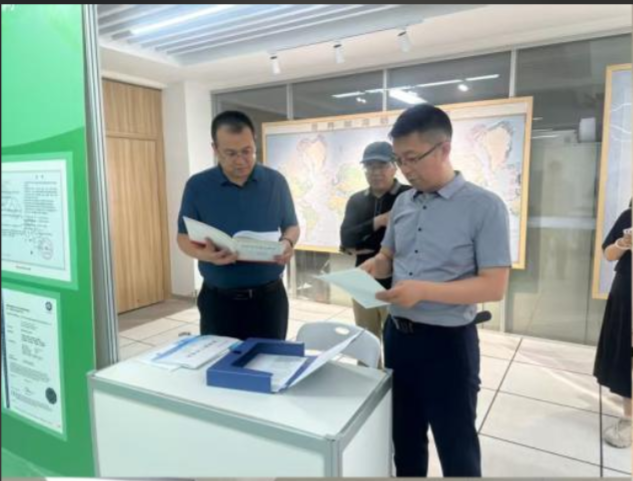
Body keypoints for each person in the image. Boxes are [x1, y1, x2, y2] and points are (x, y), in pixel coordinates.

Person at [361, 104, 511, 477]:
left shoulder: (484, 207)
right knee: (405, 439)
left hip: (448, 345)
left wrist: (424, 291)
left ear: (444, 149)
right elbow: (388, 256)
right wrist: (375, 266)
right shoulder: (403, 202)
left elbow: (494, 285)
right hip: (398, 337)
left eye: (412, 158)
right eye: (399, 160)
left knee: (456, 446)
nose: (405, 169)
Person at [177, 111, 299, 341]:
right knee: (222, 361)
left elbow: (292, 225)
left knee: (269, 360)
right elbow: (183, 238)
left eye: (247, 151)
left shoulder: (275, 182)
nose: (241, 161)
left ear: (254, 143)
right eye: (231, 153)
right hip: (218, 301)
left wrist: (287, 242)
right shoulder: (198, 186)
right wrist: (206, 255)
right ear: (215, 149)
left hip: (269, 300)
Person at [340, 141, 410, 364]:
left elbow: (410, 242)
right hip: (362, 281)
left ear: (395, 166)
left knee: (397, 342)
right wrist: (378, 221)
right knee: (365, 341)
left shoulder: (409, 197)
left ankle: (395, 382)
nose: (376, 172)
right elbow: (346, 239)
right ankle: (369, 381)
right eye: (370, 166)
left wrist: (362, 239)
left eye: (382, 165)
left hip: (397, 283)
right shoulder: (356, 200)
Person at [594, 204, 632, 448]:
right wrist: (623, 243)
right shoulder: (630, 215)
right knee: (628, 355)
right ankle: (629, 419)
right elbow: (608, 253)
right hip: (628, 291)